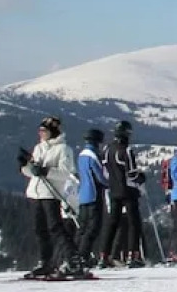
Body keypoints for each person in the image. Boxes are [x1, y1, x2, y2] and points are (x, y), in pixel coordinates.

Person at [20, 116, 81, 277]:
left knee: (55, 227)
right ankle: (46, 261)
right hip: (35, 192)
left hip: (51, 193)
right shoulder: (39, 148)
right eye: (40, 130)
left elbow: (66, 173)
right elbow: (33, 173)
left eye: (44, 131)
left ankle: (72, 259)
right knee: (39, 229)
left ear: (52, 132)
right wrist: (25, 167)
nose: (40, 133)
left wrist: (46, 171)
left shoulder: (63, 149)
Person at [99, 120, 147, 267]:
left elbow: (105, 172)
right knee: (134, 223)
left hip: (113, 190)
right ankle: (133, 256)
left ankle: (104, 256)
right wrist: (141, 177)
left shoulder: (107, 149)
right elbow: (131, 173)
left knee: (112, 223)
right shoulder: (126, 150)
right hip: (128, 190)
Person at [74, 127, 108, 267]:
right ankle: (83, 256)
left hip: (83, 195)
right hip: (94, 194)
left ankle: (74, 254)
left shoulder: (81, 155)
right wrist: (108, 184)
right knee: (93, 228)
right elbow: (99, 176)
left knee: (82, 227)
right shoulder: (93, 155)